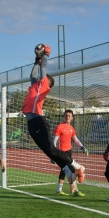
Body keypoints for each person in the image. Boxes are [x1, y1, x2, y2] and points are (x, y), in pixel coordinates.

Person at [22, 43, 85, 184]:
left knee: (51, 148)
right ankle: (69, 173)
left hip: (38, 121)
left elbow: (43, 67)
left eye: (44, 77)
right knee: (48, 151)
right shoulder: (34, 86)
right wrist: (36, 61)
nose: (40, 77)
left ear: (47, 82)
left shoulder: (43, 85)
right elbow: (33, 74)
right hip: (31, 123)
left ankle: (77, 166)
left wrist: (46, 55)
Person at [52, 109, 89, 197]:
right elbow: (54, 141)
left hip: (69, 152)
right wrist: (52, 154)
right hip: (62, 152)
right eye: (66, 115)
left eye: (69, 116)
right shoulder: (59, 127)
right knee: (72, 170)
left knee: (64, 170)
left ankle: (59, 190)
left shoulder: (71, 128)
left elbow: (75, 140)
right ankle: (75, 190)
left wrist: (82, 147)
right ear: (63, 116)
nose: (67, 117)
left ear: (72, 118)